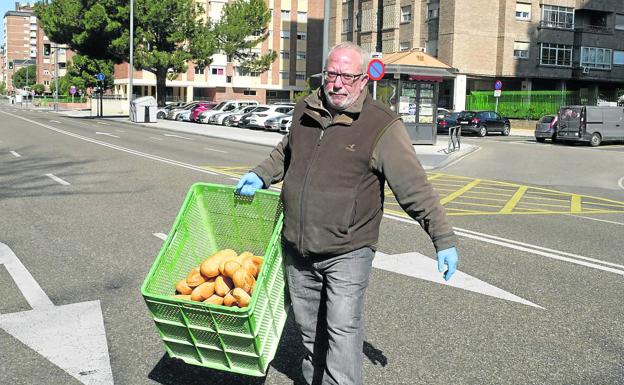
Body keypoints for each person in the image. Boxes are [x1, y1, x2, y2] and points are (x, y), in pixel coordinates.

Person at [236, 42, 459, 385]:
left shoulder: (381, 125)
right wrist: (261, 174)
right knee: (309, 333)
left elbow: (415, 188)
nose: (337, 83)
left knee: (342, 330)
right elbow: (286, 152)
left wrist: (442, 238)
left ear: (363, 79)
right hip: (298, 245)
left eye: (347, 76)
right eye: (332, 74)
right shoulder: (305, 110)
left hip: (349, 248)